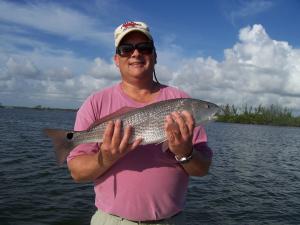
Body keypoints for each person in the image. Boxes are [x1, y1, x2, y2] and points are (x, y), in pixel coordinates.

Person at [67, 21, 213, 225]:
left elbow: (202, 169)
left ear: (155, 56)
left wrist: (185, 152)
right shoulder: (95, 103)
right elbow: (77, 172)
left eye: (144, 47)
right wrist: (106, 157)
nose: (135, 54)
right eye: (126, 49)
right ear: (116, 59)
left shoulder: (181, 100)